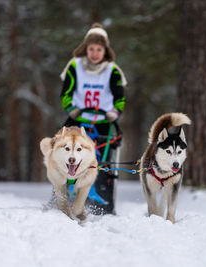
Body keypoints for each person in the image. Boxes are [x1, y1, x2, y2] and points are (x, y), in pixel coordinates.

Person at [59, 23, 127, 215]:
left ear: (105, 51)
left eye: (99, 49)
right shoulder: (74, 66)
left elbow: (119, 96)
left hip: (104, 121)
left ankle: (103, 199)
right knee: (64, 151)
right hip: (78, 119)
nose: (95, 53)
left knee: (103, 161)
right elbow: (66, 92)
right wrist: (70, 108)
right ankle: (64, 193)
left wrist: (116, 112)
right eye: (91, 49)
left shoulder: (112, 70)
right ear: (85, 49)